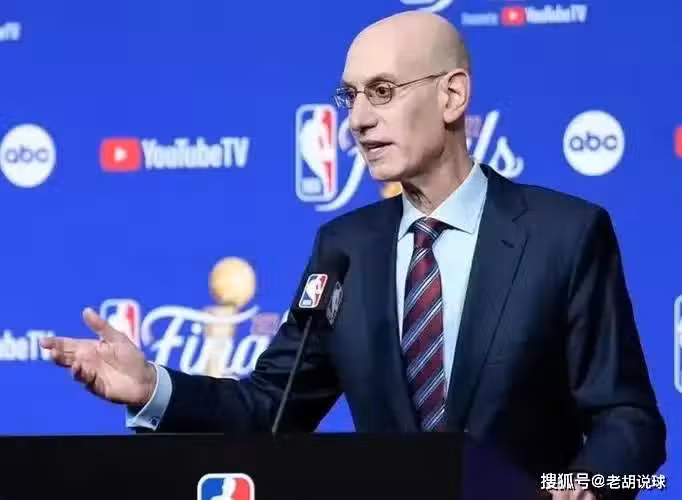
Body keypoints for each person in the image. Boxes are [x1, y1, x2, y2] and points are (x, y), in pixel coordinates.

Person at [41, 11, 665, 500]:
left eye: (382, 92)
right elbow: (270, 408)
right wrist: (152, 387)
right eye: (351, 96)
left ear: (452, 96)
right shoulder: (345, 248)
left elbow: (628, 419)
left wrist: (581, 487)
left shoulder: (564, 233)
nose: (358, 120)